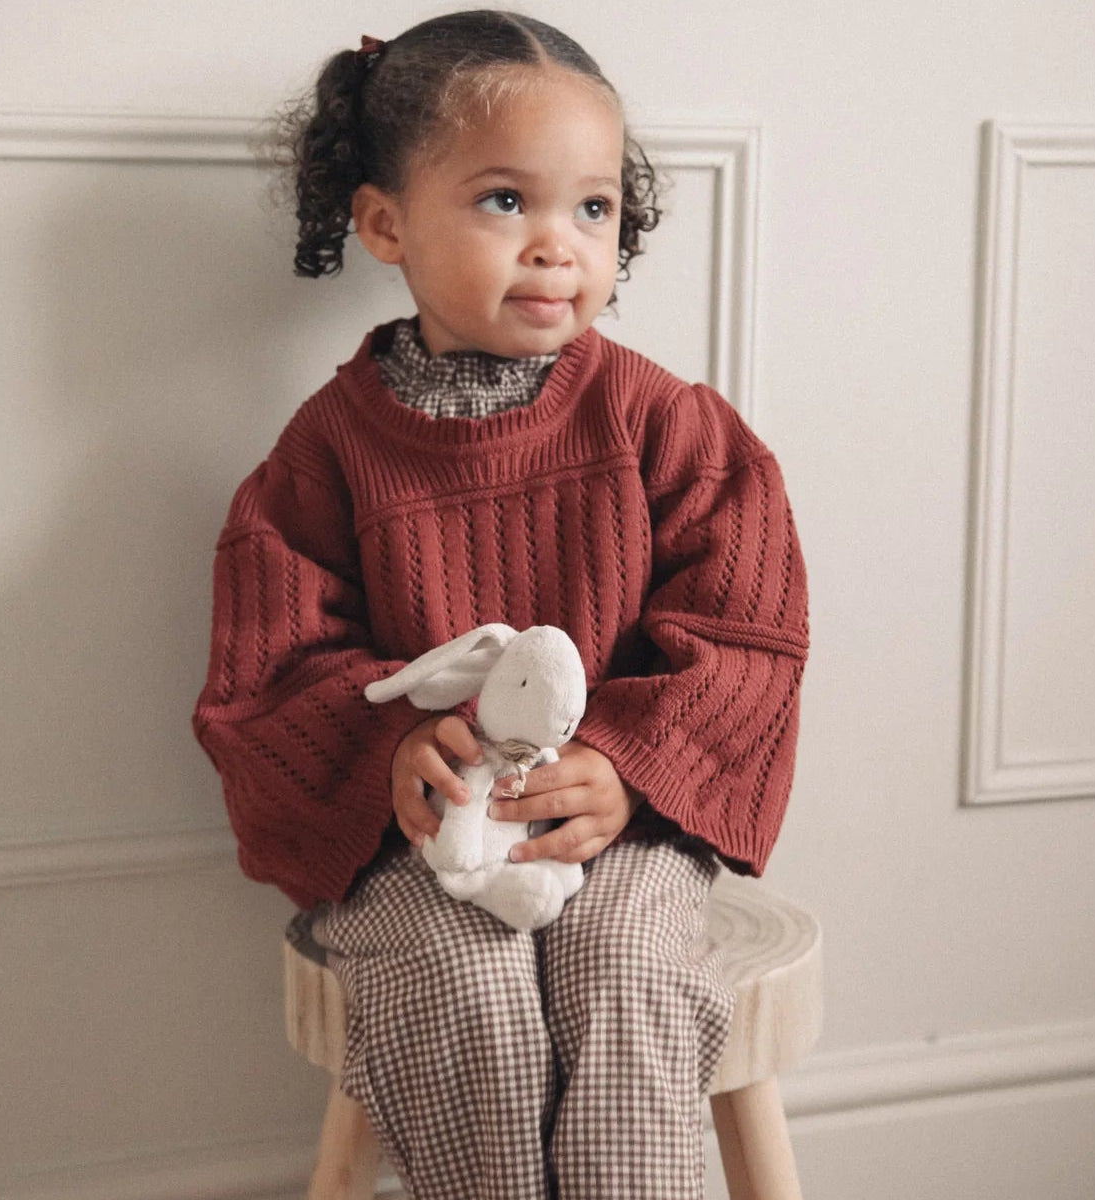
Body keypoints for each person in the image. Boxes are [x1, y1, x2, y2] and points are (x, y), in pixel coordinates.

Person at [193, 10, 809, 1199]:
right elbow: (263, 674)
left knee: (628, 967)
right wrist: (392, 749)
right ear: (385, 222)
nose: (556, 247)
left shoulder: (667, 425)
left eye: (591, 209)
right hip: (426, 841)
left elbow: (748, 633)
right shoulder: (322, 456)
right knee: (460, 988)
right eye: (503, 202)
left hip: (616, 826)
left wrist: (627, 763)